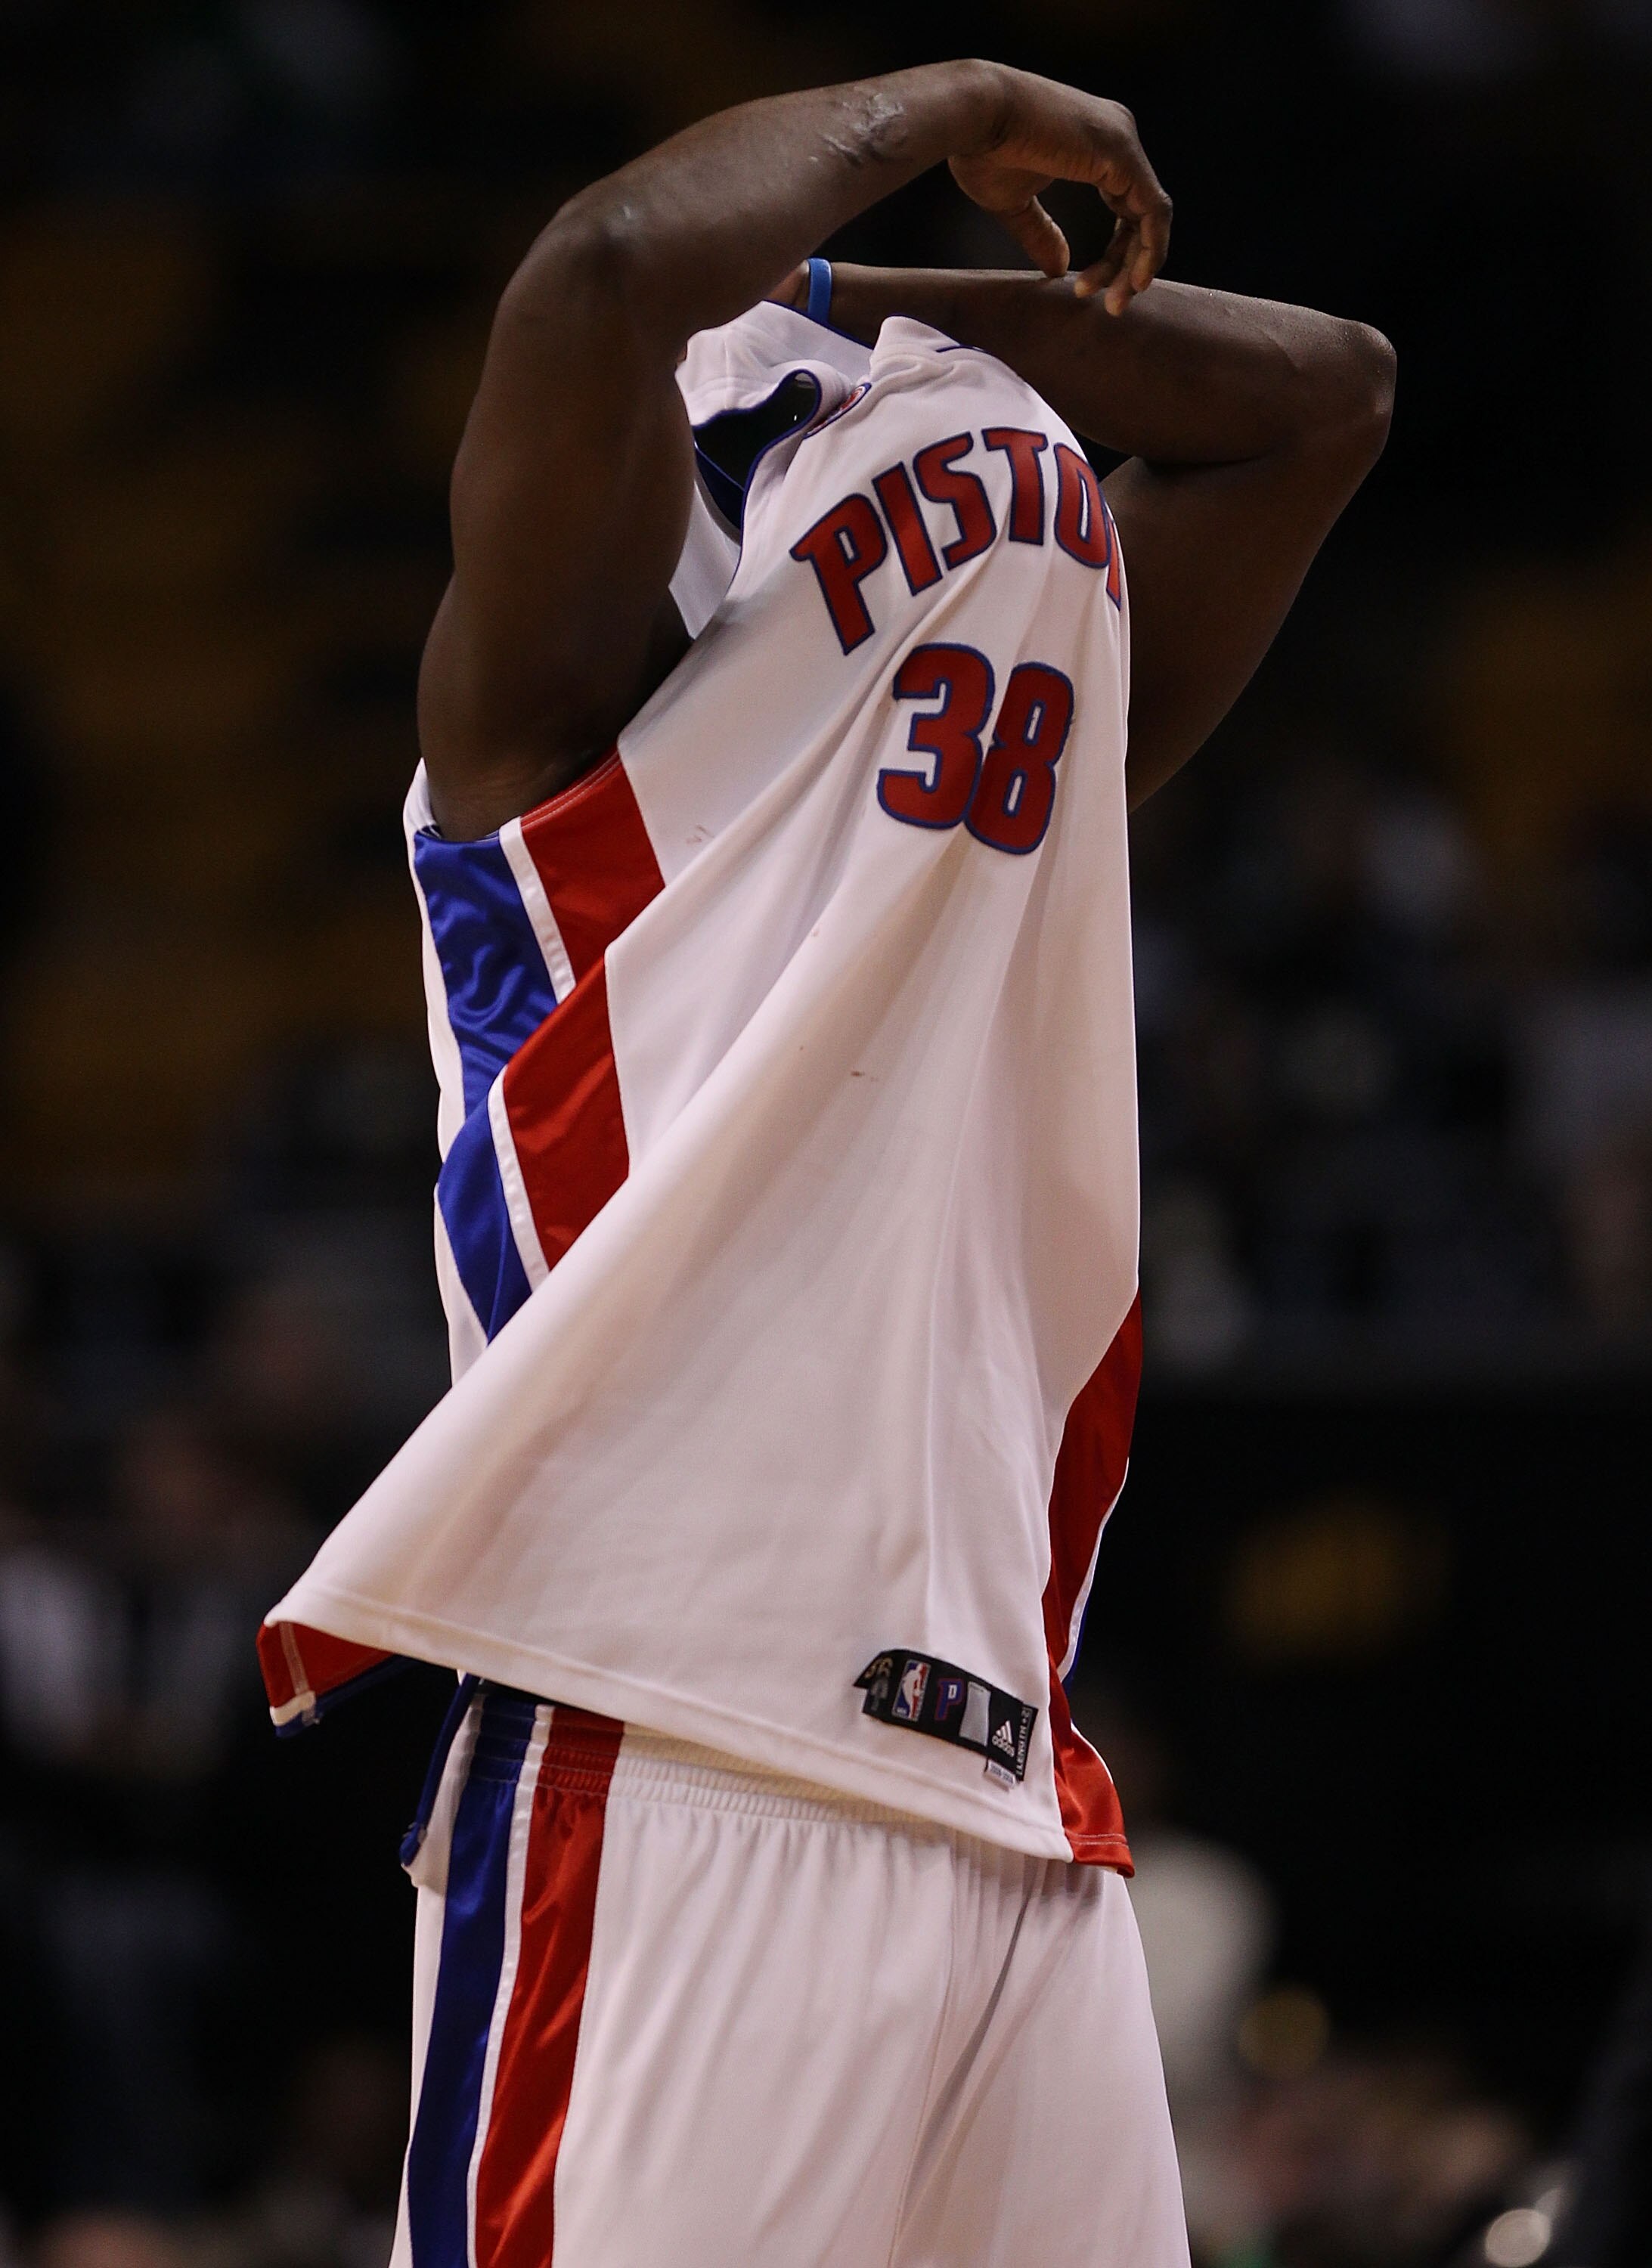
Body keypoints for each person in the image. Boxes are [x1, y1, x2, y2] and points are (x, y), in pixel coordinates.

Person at [259, 60, 1393, 2267]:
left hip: (1007, 1796)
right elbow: (604, 269)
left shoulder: (1010, 795)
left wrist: (847, 304)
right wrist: (947, 107)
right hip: (667, 1728)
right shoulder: (555, 755)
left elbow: (1326, 394)